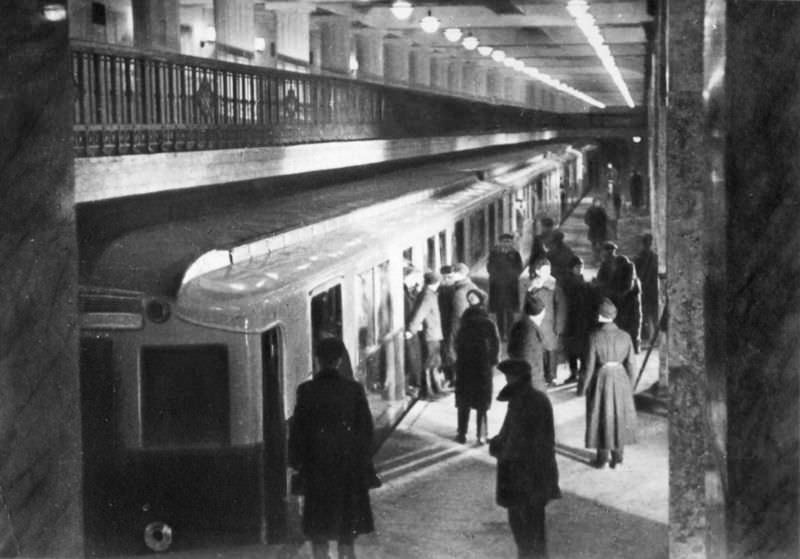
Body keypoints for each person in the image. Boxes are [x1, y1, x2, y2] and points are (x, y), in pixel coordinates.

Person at [288, 338, 375, 559]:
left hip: (317, 472)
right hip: (347, 472)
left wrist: (296, 464)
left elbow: (298, 432)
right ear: (338, 361)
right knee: (347, 533)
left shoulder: (306, 391)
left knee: (319, 532)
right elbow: (366, 432)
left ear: (317, 360)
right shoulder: (354, 390)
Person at [490, 359, 561, 559]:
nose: (507, 380)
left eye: (508, 377)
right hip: (539, 474)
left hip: (522, 476)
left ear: (515, 378)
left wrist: (497, 447)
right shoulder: (538, 398)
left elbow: (515, 442)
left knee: (522, 526)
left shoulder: (521, 402)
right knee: (535, 525)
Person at [583, 299, 638, 469]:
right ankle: (618, 459)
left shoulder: (594, 336)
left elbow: (589, 366)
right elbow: (631, 364)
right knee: (619, 416)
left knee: (601, 416)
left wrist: (583, 388)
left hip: (602, 378)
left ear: (600, 316)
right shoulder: (626, 336)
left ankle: (602, 459)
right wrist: (631, 386)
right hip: (621, 378)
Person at [454, 289, 500, 444]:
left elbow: (495, 343)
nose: (471, 300)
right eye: (469, 298)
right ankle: (476, 434)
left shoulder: (470, 321)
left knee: (468, 402)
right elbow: (495, 345)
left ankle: (467, 433)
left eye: (473, 297)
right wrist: (492, 362)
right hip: (477, 365)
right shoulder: (483, 321)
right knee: (476, 402)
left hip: (472, 365)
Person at [595, 242, 642, 353]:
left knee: (629, 327)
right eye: (605, 252)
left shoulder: (625, 265)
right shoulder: (605, 266)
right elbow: (600, 282)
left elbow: (628, 287)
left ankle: (631, 348)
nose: (607, 255)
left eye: (609, 252)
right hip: (616, 302)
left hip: (627, 303)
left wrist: (607, 291)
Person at [527, 257, 566, 386]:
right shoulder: (532, 285)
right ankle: (541, 375)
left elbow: (561, 306)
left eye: (548, 270)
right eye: (544, 270)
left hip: (550, 323)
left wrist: (559, 325)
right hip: (536, 322)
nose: (547, 272)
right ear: (537, 271)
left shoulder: (554, 285)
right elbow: (527, 305)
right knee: (539, 349)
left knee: (551, 349)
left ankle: (552, 376)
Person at [406, 271, 445, 397]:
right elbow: (419, 314)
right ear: (437, 282)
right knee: (429, 363)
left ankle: (435, 388)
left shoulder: (428, 294)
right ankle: (428, 391)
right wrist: (411, 330)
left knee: (434, 361)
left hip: (433, 332)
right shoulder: (428, 296)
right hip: (431, 333)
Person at [447, 263, 488, 378]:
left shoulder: (460, 293)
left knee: (456, 350)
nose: (451, 276)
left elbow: (458, 316)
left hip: (462, 326)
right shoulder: (472, 286)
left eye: (453, 273)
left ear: (459, 274)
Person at [560, 255, 592, 393]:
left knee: (582, 348)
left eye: (581, 267)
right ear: (571, 268)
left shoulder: (580, 280)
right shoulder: (568, 282)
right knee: (572, 349)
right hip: (571, 319)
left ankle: (581, 374)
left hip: (582, 320)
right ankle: (574, 373)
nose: (580, 269)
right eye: (577, 267)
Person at [507, 294, 548, 392]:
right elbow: (526, 361)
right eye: (543, 312)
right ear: (537, 314)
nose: (544, 314)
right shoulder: (528, 331)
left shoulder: (522, 325)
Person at [487, 233, 524, 340]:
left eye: (508, 242)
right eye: (504, 241)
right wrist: (497, 275)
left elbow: (519, 268)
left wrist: (510, 274)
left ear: (511, 243)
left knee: (510, 312)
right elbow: (489, 268)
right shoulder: (494, 254)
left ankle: (510, 333)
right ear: (500, 242)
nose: (506, 244)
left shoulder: (515, 254)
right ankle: (501, 333)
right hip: (497, 288)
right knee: (499, 313)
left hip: (510, 288)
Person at [634, 233, 659, 345]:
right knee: (652, 314)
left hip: (645, 289)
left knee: (646, 314)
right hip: (651, 290)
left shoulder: (639, 257)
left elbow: (635, 275)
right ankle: (653, 338)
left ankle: (650, 338)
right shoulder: (654, 257)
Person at [403, 267, 424, 396]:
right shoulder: (404, 292)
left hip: (411, 328)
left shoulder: (409, 290)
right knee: (413, 357)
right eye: (414, 278)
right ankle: (415, 385)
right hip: (409, 330)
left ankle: (415, 383)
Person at [438, 265, 456, 386]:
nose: (446, 279)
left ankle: (452, 377)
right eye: (445, 277)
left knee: (450, 351)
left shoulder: (454, 290)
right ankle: (450, 376)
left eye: (449, 277)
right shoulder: (443, 289)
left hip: (449, 324)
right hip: (443, 324)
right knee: (446, 351)